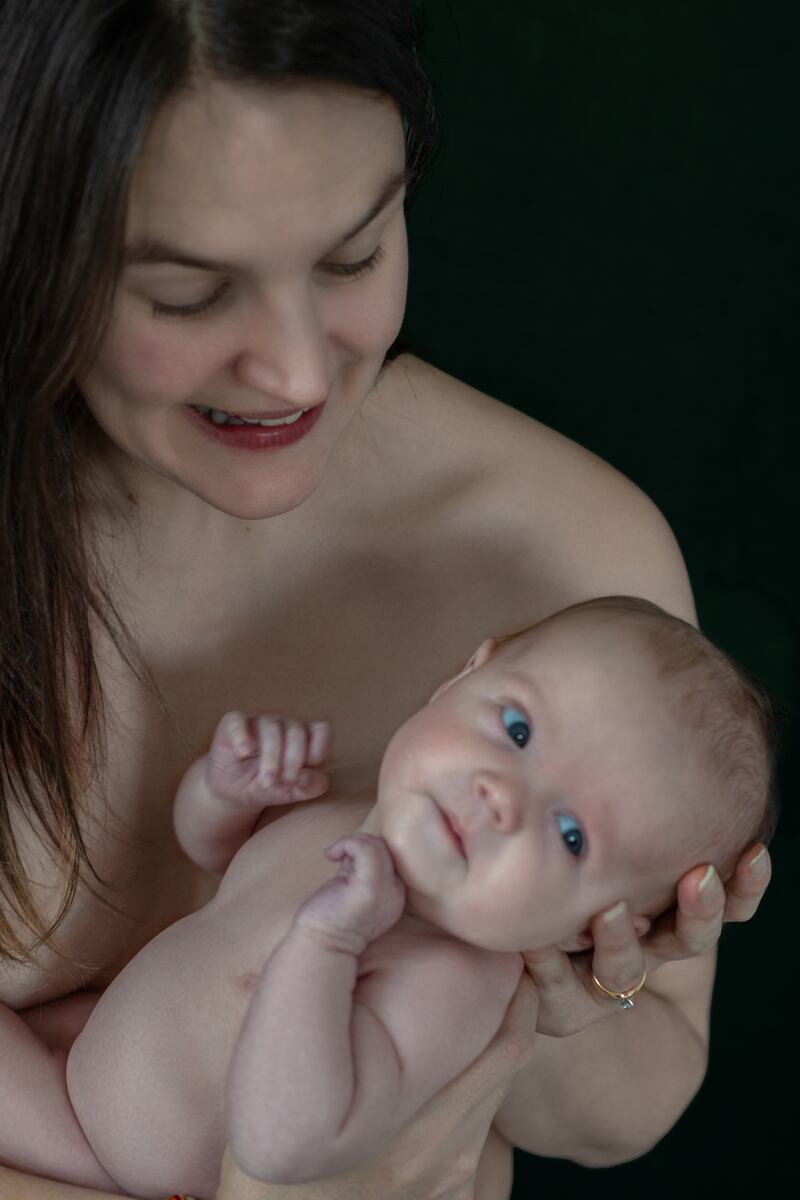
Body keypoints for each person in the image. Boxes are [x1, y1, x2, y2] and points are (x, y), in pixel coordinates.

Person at [0, 3, 771, 1199]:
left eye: (353, 255)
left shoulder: (564, 561)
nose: (300, 372)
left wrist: (568, 985)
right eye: (190, 295)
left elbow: (620, 1113)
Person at [41, 596, 773, 1198]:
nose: (500, 799)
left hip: (123, 1171)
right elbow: (225, 870)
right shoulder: (358, 813)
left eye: (571, 834)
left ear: (594, 929)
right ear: (460, 678)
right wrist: (222, 795)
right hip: (77, 1058)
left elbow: (286, 1146)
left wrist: (328, 944)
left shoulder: (450, 984)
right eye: (516, 730)